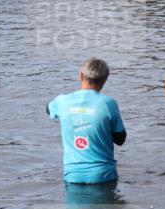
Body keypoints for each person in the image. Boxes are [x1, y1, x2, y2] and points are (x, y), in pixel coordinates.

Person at [48, 58, 127, 193]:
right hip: (103, 176)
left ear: (81, 76)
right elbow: (120, 139)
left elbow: (49, 110)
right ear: (104, 80)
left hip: (73, 176)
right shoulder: (109, 104)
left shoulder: (62, 101)